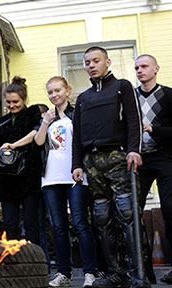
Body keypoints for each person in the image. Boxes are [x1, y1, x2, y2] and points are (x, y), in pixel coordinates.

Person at [71, 46, 147, 288]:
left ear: (108, 62)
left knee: (127, 214)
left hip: (118, 156)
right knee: (102, 218)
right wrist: (76, 164)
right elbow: (76, 135)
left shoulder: (122, 86)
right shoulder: (82, 98)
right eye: (87, 62)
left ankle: (138, 275)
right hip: (91, 163)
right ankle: (116, 273)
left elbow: (134, 120)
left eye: (96, 60)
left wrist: (134, 149)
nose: (91, 65)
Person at [34, 76, 97, 288]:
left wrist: (80, 166)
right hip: (50, 177)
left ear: (67, 90)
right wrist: (45, 121)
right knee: (58, 227)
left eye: (57, 90)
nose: (54, 95)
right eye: (50, 92)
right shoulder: (48, 117)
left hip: (75, 175)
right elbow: (39, 141)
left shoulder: (76, 112)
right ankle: (64, 273)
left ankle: (90, 272)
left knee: (80, 223)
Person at [0, 76, 43, 245]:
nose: (11, 106)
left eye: (15, 102)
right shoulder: (3, 121)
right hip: (8, 179)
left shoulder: (33, 113)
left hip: (28, 176)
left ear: (24, 99)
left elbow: (35, 134)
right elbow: (1, 152)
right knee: (10, 224)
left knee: (31, 223)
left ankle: (34, 261)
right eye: (8, 102)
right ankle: (14, 262)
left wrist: (13, 145)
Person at [134, 54, 172, 284]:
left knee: (169, 208)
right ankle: (143, 271)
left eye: (144, 66)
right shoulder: (131, 97)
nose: (140, 70)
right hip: (139, 159)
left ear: (156, 68)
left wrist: (153, 129)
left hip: (165, 157)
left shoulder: (168, 95)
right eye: (137, 67)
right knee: (132, 212)